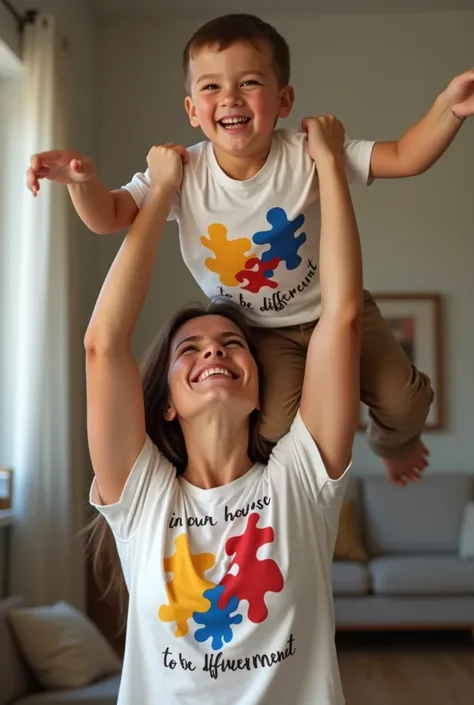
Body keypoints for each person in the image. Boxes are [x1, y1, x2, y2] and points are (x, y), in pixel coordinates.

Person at [28, 15, 473, 486]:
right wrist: (82, 184)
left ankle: (392, 445)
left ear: (284, 100)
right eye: (212, 87)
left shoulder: (308, 151)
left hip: (338, 311)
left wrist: (450, 108)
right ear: (192, 109)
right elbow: (110, 216)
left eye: (249, 82)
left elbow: (405, 155)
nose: (230, 97)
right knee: (273, 429)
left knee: (407, 402)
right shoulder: (183, 173)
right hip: (260, 331)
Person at [87, 114, 363, 705]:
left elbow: (339, 315)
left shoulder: (301, 479)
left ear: (260, 389)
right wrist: (162, 191)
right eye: (190, 349)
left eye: (232, 344)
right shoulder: (142, 499)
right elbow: (103, 346)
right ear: (163, 404)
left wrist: (332, 167)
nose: (213, 348)